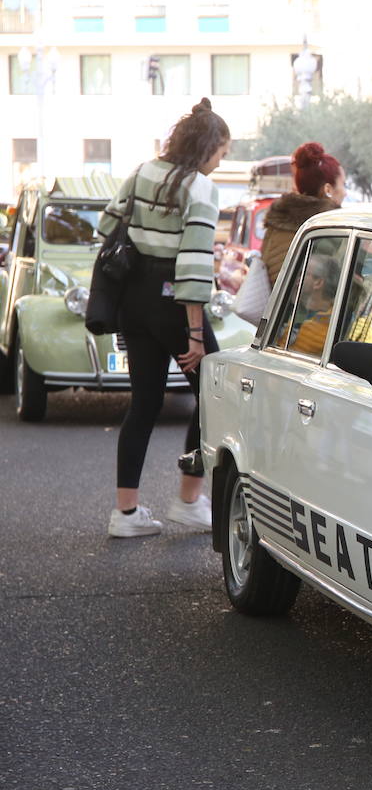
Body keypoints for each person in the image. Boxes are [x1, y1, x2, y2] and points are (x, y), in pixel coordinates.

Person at [98, 98, 231, 537]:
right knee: (213, 398)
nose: (221, 161)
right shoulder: (200, 188)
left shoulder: (142, 172)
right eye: (222, 152)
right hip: (174, 303)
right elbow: (193, 264)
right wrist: (195, 333)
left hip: (133, 300)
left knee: (144, 404)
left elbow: (106, 224)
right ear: (207, 148)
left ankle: (126, 514)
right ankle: (189, 501)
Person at [260, 142, 346, 285]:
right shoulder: (331, 230)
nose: (345, 192)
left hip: (276, 306)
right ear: (328, 190)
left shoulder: (276, 224)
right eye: (343, 184)